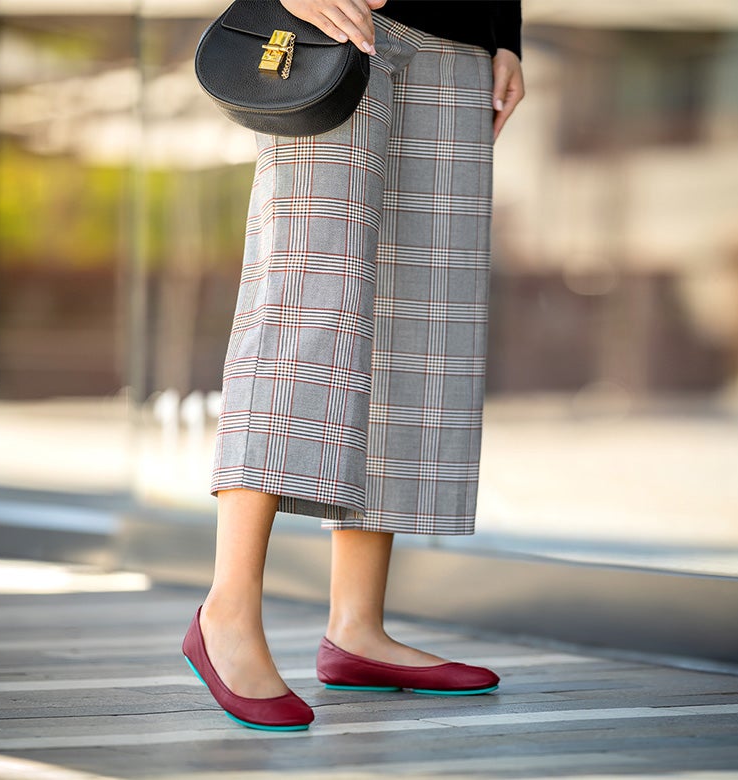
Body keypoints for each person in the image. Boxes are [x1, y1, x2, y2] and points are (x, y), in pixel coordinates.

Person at [182, 0, 525, 731]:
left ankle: (357, 629)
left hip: (461, 40)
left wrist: (506, 32)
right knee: (305, 305)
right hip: (328, 26)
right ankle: (227, 612)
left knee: (415, 318)